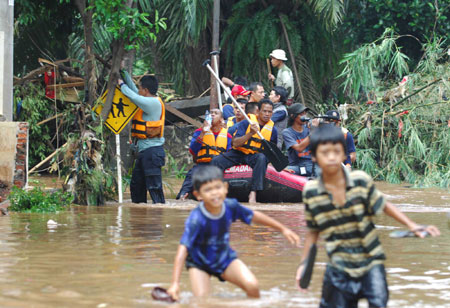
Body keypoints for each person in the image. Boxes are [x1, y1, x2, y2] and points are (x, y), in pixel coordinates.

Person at [295, 124, 440, 308]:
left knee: (379, 304)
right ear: (314, 156)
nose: (331, 157)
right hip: (338, 266)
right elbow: (313, 232)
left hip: (371, 262)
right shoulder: (311, 191)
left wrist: (412, 225)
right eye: (325, 152)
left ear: (343, 155)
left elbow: (384, 205)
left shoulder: (360, 181)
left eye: (336, 151)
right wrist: (304, 265)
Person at [167, 165, 300, 300]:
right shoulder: (196, 218)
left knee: (253, 286)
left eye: (217, 187)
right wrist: (175, 284)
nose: (214, 193)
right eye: (208, 190)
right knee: (202, 301)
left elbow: (255, 216)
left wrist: (283, 229)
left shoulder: (230, 206)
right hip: (200, 262)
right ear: (198, 195)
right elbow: (183, 249)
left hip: (224, 257)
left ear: (225, 187)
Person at [211, 99, 277, 203]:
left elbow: (271, 152)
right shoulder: (247, 122)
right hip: (239, 153)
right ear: (258, 111)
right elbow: (235, 143)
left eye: (269, 112)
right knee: (216, 161)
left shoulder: (273, 130)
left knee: (262, 157)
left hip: (254, 156)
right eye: (264, 111)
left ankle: (253, 193)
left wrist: (277, 166)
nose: (267, 114)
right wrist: (250, 133)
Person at [119, 70, 165, 204]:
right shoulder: (146, 100)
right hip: (144, 152)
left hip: (152, 152)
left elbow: (134, 96)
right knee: (136, 186)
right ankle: (140, 217)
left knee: (154, 187)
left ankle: (158, 215)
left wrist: (121, 85)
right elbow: (134, 92)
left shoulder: (153, 103)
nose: (138, 90)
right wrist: (124, 73)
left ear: (145, 90)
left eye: (140, 88)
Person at [177, 109, 232, 200]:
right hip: (202, 165)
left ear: (221, 119)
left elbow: (229, 153)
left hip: (219, 166)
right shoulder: (199, 131)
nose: (212, 115)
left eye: (216, 113)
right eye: (211, 113)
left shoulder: (227, 135)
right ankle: (183, 195)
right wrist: (203, 133)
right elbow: (193, 150)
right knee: (191, 176)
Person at [282, 103, 317, 177]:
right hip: (297, 165)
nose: (304, 116)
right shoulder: (287, 132)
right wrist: (313, 132)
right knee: (281, 172)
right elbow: (299, 148)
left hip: (311, 164)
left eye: (305, 114)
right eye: (301, 114)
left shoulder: (309, 128)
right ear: (293, 116)